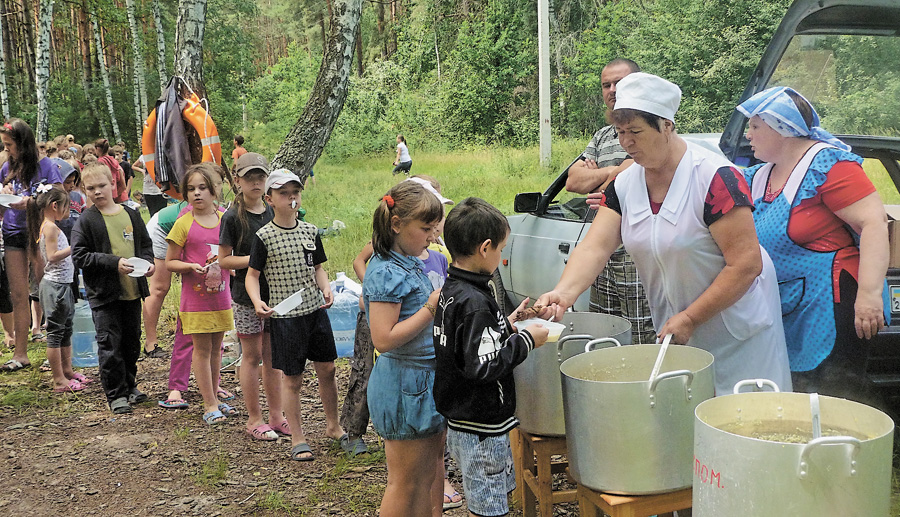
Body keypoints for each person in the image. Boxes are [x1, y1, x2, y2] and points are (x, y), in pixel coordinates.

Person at [536, 73, 792, 395]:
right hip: (678, 330)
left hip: (736, 332)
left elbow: (746, 265)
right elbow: (595, 248)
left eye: (636, 132)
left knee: (744, 422)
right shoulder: (626, 185)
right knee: (688, 422)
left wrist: (690, 317)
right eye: (620, 132)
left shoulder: (714, 178)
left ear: (667, 126)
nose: (626, 143)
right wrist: (563, 293)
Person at [735, 87, 890, 402]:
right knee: (796, 395)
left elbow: (873, 223)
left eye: (755, 126)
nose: (747, 134)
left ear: (783, 128)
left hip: (833, 303)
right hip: (789, 304)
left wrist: (870, 296)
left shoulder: (829, 166)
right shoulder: (758, 176)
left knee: (835, 396)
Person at [433, 197, 549, 517]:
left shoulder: (455, 288)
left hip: (462, 418)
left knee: (489, 497)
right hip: (481, 425)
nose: (502, 255)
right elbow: (483, 365)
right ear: (485, 248)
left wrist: (509, 323)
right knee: (488, 505)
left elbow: (468, 344)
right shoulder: (475, 302)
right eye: (501, 249)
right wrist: (527, 339)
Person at [246, 169, 347, 460]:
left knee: (327, 369)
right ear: (270, 199)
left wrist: (326, 288)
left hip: (314, 311)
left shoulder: (310, 231)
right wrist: (257, 301)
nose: (291, 198)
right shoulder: (264, 236)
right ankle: (298, 437)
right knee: (293, 377)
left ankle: (333, 425)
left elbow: (318, 268)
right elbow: (252, 276)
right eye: (283, 193)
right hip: (285, 316)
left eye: (295, 193)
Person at [361, 180, 445, 516]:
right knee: (405, 483)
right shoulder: (385, 272)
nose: (431, 236)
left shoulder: (408, 262)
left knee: (424, 480)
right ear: (397, 225)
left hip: (422, 383)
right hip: (402, 387)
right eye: (425, 228)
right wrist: (430, 309)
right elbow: (383, 338)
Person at [565, 58, 656, 345]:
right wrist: (613, 172)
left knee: (642, 336)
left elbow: (638, 170)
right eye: (607, 85)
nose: (613, 90)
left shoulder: (653, 130)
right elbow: (572, 181)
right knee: (605, 333)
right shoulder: (603, 135)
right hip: (602, 254)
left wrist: (605, 180)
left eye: (621, 83)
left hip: (635, 254)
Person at [71, 163, 155, 414]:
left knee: (131, 341)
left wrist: (148, 264)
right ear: (85, 191)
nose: (97, 192)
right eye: (91, 188)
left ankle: (130, 385)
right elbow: (80, 256)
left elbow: (145, 245)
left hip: (132, 292)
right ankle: (115, 393)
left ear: (114, 184)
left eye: (102, 186)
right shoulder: (87, 221)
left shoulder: (131, 214)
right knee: (110, 343)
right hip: (104, 294)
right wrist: (113, 262)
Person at [219, 153, 287, 439]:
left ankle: (277, 415)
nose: (256, 183)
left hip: (277, 294)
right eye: (250, 178)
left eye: (260, 177)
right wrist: (254, 260)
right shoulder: (233, 217)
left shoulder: (274, 211)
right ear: (238, 180)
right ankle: (253, 418)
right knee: (252, 356)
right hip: (246, 297)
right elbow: (224, 260)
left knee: (273, 357)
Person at [154, 165, 234, 406]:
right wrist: (189, 267)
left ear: (214, 191)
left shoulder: (225, 220)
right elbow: (170, 262)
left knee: (216, 347)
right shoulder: (183, 223)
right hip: (195, 300)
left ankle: (214, 388)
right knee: (200, 349)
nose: (197, 193)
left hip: (221, 296)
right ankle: (207, 401)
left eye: (202, 188)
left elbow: (232, 255)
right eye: (191, 189)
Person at [0, 119, 64, 372]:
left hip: (40, 232)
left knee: (47, 291)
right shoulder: (7, 166)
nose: (7, 150)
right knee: (18, 294)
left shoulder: (46, 165)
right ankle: (21, 353)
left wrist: (30, 201)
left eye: (9, 145)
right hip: (13, 231)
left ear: (23, 144)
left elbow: (60, 198)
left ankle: (56, 352)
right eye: (4, 146)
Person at [28, 184, 92, 392]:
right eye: (65, 207)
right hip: (55, 286)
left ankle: (68, 370)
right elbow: (53, 256)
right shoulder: (50, 227)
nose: (67, 211)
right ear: (54, 206)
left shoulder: (50, 226)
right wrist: (75, 247)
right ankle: (58, 379)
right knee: (56, 333)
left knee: (66, 329)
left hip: (64, 284)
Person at [93, 139, 127, 204]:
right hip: (119, 195)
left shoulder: (101, 162)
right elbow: (121, 180)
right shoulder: (114, 160)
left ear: (97, 148)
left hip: (108, 196)